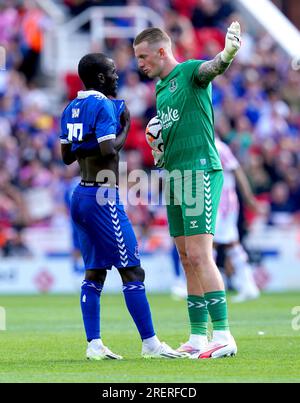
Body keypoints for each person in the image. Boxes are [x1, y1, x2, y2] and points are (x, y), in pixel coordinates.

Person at [60, 53, 184, 360]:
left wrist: (85, 141)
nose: (118, 76)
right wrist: (127, 126)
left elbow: (66, 157)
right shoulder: (104, 105)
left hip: (81, 195)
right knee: (132, 270)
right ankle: (151, 344)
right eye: (113, 72)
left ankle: (94, 345)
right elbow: (107, 148)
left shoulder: (70, 108)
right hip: (103, 197)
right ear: (101, 78)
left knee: (95, 273)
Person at [134, 22, 241, 359]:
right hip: (175, 175)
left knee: (199, 254)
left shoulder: (191, 71)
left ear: (162, 51)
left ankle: (223, 334)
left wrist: (227, 54)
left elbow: (212, 68)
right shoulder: (161, 89)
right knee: (185, 256)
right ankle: (197, 337)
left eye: (143, 56)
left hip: (199, 171)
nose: (139, 63)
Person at [214, 137, 260, 303]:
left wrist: (248, 197)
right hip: (217, 202)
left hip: (223, 204)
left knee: (208, 243)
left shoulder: (218, 147)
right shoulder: (208, 145)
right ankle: (248, 285)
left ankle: (207, 287)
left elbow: (237, 170)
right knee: (231, 243)